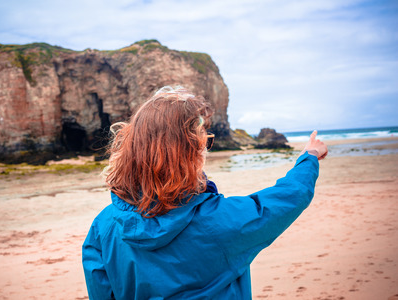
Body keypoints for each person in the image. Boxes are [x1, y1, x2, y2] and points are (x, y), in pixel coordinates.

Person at [82, 86, 328, 299]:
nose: (206, 148)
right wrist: (310, 157)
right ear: (189, 153)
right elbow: (287, 197)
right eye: (204, 141)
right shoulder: (218, 220)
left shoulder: (102, 227)